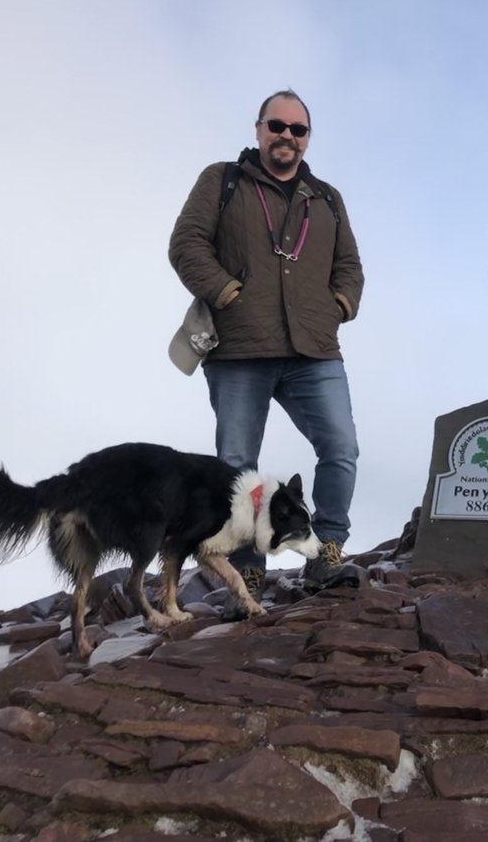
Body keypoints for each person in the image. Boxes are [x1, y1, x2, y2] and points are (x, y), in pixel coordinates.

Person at [168, 89, 364, 605]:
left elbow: (349, 265)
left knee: (341, 448)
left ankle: (326, 553)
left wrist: (339, 304)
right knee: (237, 467)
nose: (287, 136)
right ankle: (245, 573)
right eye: (277, 126)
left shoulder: (326, 198)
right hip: (239, 349)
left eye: (298, 129)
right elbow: (186, 244)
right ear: (258, 129)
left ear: (307, 138)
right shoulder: (222, 180)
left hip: (313, 349)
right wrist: (226, 292)